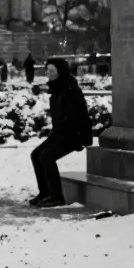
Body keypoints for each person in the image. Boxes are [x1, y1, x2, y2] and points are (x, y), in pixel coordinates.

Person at [29, 58, 94, 208]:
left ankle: (57, 197)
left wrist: (84, 138)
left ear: (60, 71)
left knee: (46, 156)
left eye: (51, 71)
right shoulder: (56, 90)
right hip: (59, 134)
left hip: (74, 135)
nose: (48, 73)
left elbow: (82, 114)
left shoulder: (71, 90)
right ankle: (45, 193)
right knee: (36, 155)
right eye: (47, 70)